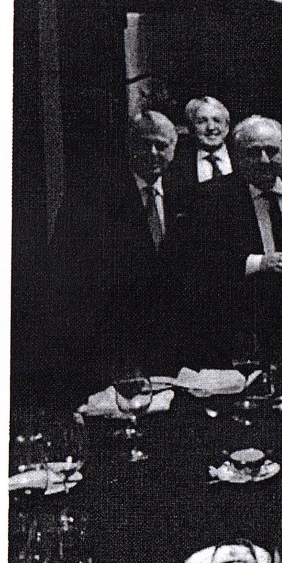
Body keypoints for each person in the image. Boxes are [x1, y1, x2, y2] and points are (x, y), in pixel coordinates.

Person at [48, 110, 189, 384]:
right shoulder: (92, 197)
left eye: (161, 145)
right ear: (129, 145)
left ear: (173, 149)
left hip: (174, 345)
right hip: (112, 343)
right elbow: (66, 269)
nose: (152, 153)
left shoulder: (186, 194)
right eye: (143, 144)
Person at [185, 115, 282, 365]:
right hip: (246, 327)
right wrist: (259, 263)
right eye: (254, 152)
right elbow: (202, 262)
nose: (264, 160)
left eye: (272, 151)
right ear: (237, 156)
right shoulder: (212, 196)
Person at [171, 96, 234, 188]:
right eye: (201, 122)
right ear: (191, 127)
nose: (211, 127)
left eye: (217, 120)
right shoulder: (178, 163)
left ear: (227, 126)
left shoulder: (240, 155)